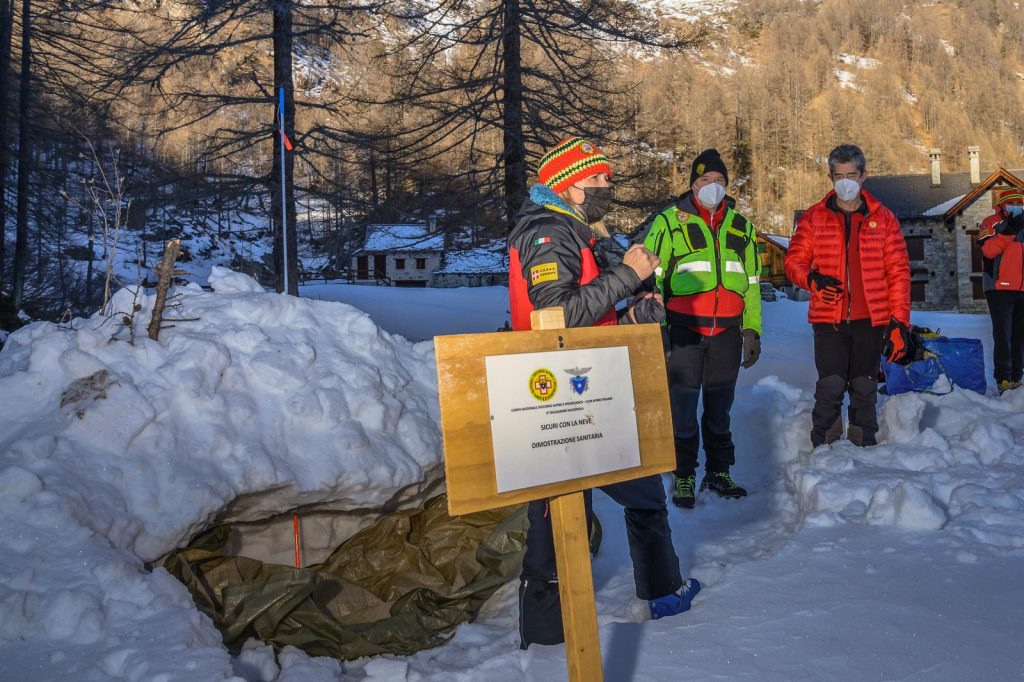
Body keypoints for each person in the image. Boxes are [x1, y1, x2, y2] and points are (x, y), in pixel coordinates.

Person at [507, 136, 700, 649]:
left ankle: (664, 592)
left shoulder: (578, 230)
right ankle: (547, 640)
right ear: (570, 184)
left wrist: (634, 310)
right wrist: (627, 275)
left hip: (594, 386)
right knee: (553, 518)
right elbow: (556, 314)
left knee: (642, 490)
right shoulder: (546, 232)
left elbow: (592, 312)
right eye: (599, 181)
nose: (607, 189)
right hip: (551, 395)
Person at [637, 149, 762, 509]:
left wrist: (752, 330)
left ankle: (719, 472)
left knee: (720, 408)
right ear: (693, 185)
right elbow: (650, 278)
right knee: (683, 408)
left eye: (720, 181)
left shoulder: (742, 227)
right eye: (705, 181)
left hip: (727, 333)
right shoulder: (669, 222)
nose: (713, 187)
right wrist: (656, 328)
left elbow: (752, 282)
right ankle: (684, 474)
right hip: (683, 331)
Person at [785, 144, 911, 448]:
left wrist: (899, 323)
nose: (846, 182)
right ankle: (825, 443)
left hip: (871, 317)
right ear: (830, 177)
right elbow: (793, 262)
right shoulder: (814, 218)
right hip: (829, 317)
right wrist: (812, 279)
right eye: (839, 176)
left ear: (863, 176)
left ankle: (863, 439)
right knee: (830, 383)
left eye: (851, 175)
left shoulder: (884, 219)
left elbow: (899, 273)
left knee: (864, 384)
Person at [979, 186, 1024, 394]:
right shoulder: (991, 222)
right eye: (1013, 203)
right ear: (1003, 205)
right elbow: (988, 251)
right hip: (998, 288)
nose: (1016, 206)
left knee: (1019, 335)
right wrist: (1009, 230)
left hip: (1022, 289)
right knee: (1003, 334)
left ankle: (1017, 377)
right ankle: (1003, 378)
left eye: (1020, 203)